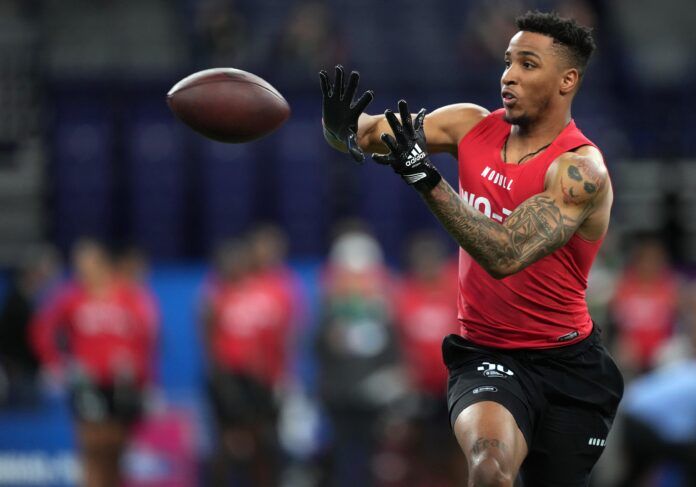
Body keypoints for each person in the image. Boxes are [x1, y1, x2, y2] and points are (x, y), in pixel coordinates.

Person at [319, 11, 623, 487]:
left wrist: (427, 180)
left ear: (567, 80)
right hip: (487, 352)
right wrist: (340, 129)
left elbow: (504, 255)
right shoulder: (469, 125)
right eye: (507, 62)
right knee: (489, 468)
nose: (509, 75)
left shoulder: (579, 171)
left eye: (527, 64)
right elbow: (371, 136)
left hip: (571, 368)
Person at [30, 239, 159, 487]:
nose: (81, 271)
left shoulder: (128, 296)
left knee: (116, 448)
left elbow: (146, 337)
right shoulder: (71, 298)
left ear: (102, 264)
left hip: (122, 385)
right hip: (87, 383)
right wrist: (55, 363)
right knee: (92, 446)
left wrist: (145, 377)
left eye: (86, 264)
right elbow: (43, 329)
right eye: (78, 266)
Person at [200, 238, 293, 486]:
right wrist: (220, 380)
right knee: (230, 446)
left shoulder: (268, 293)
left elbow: (281, 337)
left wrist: (279, 374)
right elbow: (209, 341)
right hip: (228, 379)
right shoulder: (215, 297)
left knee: (265, 444)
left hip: (263, 380)